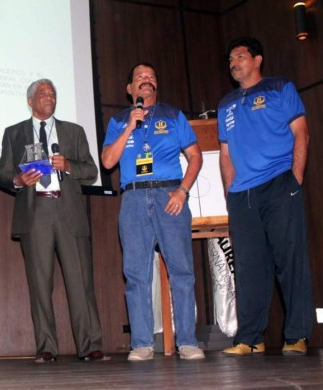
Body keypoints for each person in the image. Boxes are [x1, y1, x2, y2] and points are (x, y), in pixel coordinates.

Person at [0, 79, 109, 363]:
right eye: (42, 94)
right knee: (39, 284)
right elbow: (3, 174)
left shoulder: (73, 131)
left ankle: (90, 345)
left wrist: (68, 165)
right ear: (30, 101)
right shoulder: (14, 133)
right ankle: (46, 347)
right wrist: (18, 180)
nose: (49, 97)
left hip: (68, 211)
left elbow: (91, 171)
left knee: (80, 283)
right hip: (35, 215)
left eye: (53, 93)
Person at [102, 63, 205, 361]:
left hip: (169, 195)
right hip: (133, 198)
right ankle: (142, 343)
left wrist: (182, 191)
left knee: (182, 271)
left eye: (151, 77)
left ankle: (187, 341)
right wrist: (129, 128)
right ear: (130, 89)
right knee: (136, 274)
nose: (146, 81)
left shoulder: (173, 115)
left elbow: (195, 157)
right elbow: (108, 161)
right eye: (139, 78)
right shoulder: (119, 120)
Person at [218, 37, 313, 356]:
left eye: (240, 56)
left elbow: (302, 131)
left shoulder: (280, 87)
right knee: (248, 267)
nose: (233, 62)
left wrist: (295, 179)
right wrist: (230, 193)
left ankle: (297, 335)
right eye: (231, 58)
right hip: (242, 195)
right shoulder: (225, 103)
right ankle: (250, 337)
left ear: (257, 59)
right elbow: (225, 153)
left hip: (279, 183)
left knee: (290, 261)